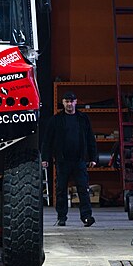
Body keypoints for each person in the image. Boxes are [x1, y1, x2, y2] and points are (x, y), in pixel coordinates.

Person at [41, 91, 97, 227]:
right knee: (61, 190)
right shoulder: (56, 120)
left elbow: (90, 138)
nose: (69, 104)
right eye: (66, 101)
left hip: (79, 160)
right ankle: (61, 217)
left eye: (71, 101)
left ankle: (87, 217)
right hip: (62, 160)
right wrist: (45, 158)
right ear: (63, 103)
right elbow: (47, 140)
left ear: (76, 102)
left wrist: (93, 157)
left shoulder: (83, 119)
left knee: (83, 189)